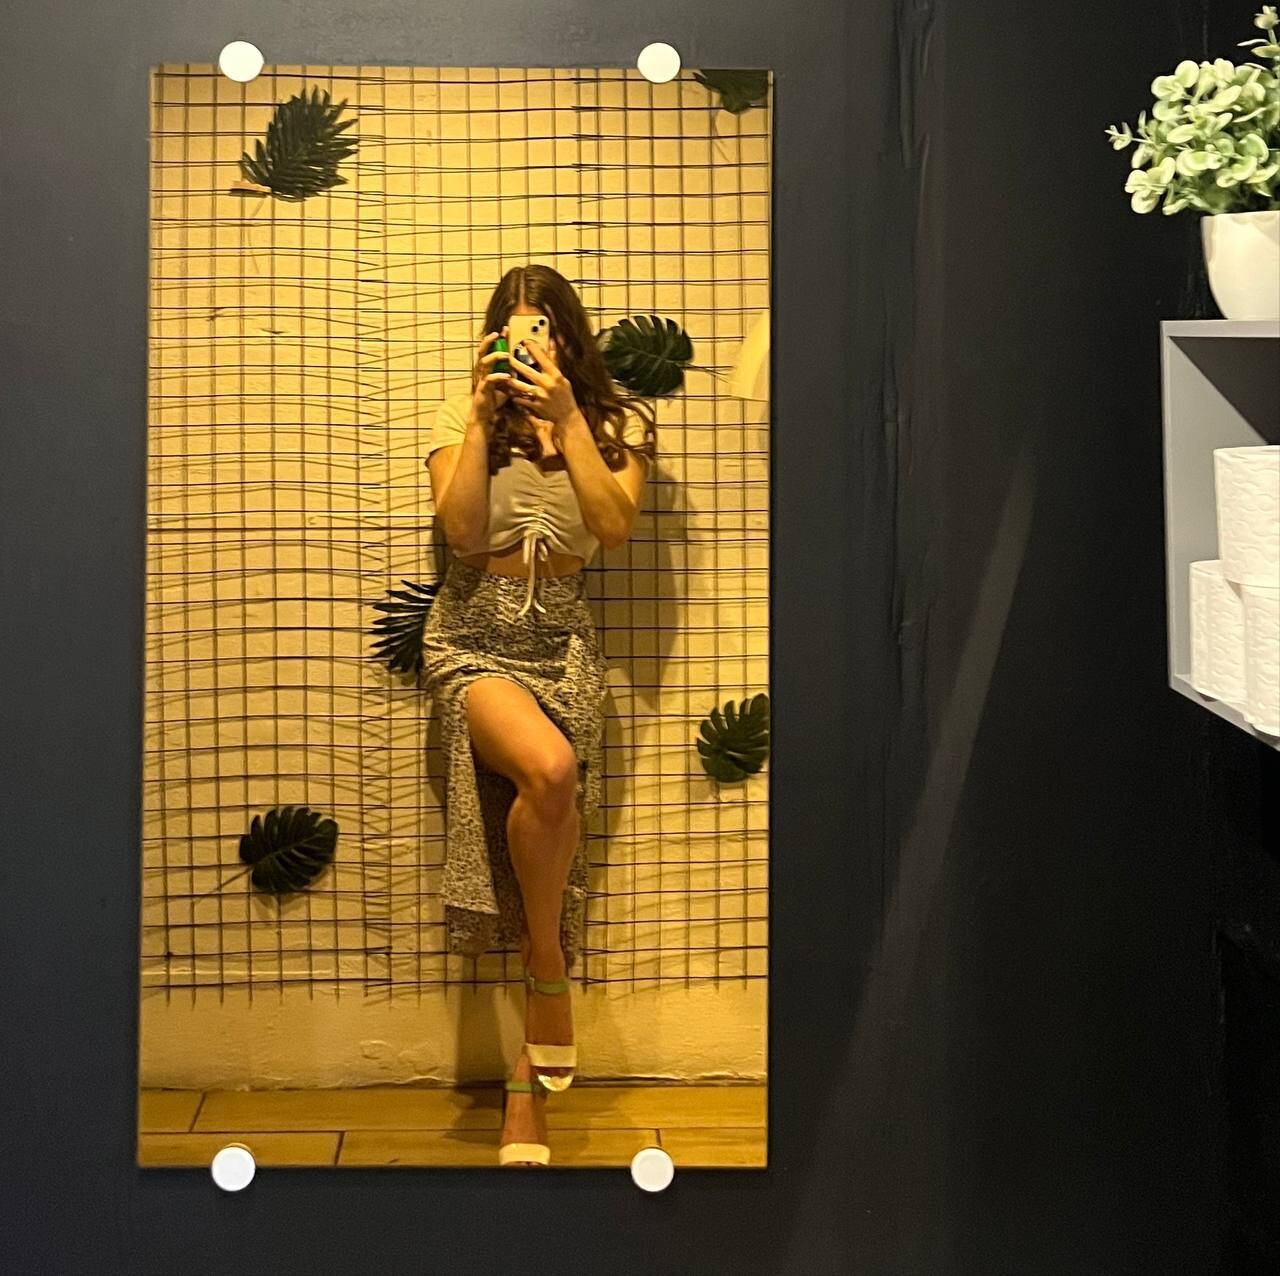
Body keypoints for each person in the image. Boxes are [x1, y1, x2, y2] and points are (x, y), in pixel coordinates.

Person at [421, 265, 656, 1166]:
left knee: (552, 812)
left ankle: (526, 1083)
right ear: (491, 341)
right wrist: (486, 423)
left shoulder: (616, 427)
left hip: (563, 640)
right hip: (473, 633)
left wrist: (568, 422)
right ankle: (548, 967)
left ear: (568, 338)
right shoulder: (461, 418)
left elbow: (612, 527)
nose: (530, 346)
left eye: (544, 331)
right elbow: (462, 534)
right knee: (550, 769)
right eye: (515, 332)